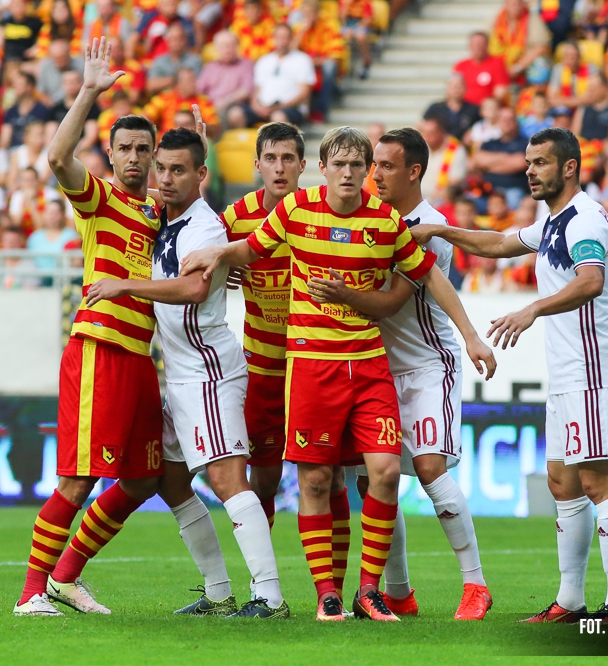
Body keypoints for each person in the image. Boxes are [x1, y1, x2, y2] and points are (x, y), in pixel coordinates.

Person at [180, 126, 491, 622]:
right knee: (314, 481)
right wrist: (218, 252)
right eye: (339, 164)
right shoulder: (294, 210)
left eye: (357, 165)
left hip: (370, 364)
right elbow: (246, 247)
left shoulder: (387, 221)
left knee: (382, 473)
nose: (348, 173)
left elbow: (424, 277)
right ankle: (322, 595)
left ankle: (373, 591)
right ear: (322, 168)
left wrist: (471, 335)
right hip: (305, 366)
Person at [411, 127, 608, 621]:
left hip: (594, 367)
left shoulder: (584, 221)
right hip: (569, 372)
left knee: (598, 482)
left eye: (540, 163)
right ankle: (570, 601)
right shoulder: (553, 220)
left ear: (569, 167)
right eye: (529, 163)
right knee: (561, 482)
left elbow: (591, 281)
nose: (530, 171)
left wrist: (532, 308)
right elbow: (498, 243)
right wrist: (443, 232)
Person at [85, 126, 290, 619]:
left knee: (226, 478)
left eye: (179, 170)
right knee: (170, 481)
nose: (166, 178)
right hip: (177, 373)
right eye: (162, 168)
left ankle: (270, 597)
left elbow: (195, 290)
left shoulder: (203, 227)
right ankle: (218, 593)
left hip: (208, 370)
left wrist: (124, 285)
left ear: (201, 175)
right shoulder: (164, 217)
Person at [313, 127, 496, 621]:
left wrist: (472, 336)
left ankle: (476, 585)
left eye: (387, 166)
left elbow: (395, 300)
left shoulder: (429, 229)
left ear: (414, 172)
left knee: (431, 468)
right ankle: (397, 592)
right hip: (373, 368)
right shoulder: (368, 216)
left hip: (427, 365)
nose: (375, 175)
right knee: (375, 481)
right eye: (374, 165)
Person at [12, 37, 165, 618]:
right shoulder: (99, 198)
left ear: (153, 155)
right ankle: (31, 593)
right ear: (110, 152)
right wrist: (88, 92)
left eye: (142, 149)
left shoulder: (157, 211)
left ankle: (66, 577)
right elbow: (56, 158)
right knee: (78, 481)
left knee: (144, 478)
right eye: (124, 148)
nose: (133, 158)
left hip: (141, 357)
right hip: (99, 348)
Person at [218, 122, 305, 535]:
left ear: (302, 165)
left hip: (312, 364)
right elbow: (199, 250)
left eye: (288, 158)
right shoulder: (236, 219)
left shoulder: (320, 213)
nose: (279, 167)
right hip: (263, 368)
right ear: (257, 165)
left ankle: (332, 574)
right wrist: (224, 268)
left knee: (325, 477)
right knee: (265, 479)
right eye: (271, 158)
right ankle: (263, 570)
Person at [239, 23, 315, 127]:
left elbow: (304, 93)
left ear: (291, 39)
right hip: (264, 107)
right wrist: (257, 106)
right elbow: (256, 90)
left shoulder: (302, 60)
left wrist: (279, 107)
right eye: (279, 37)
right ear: (273, 38)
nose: (282, 42)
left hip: (290, 108)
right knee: (236, 114)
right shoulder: (264, 60)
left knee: (278, 118)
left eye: (285, 37)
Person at [474, 107, 530, 209]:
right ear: (498, 122)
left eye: (510, 120)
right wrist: (507, 159)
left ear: (516, 122)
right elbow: (478, 161)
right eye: (503, 120)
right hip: (488, 190)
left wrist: (490, 165)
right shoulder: (489, 144)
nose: (506, 123)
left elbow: (521, 163)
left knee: (514, 198)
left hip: (513, 190)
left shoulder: (526, 144)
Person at [196, 30, 253, 120]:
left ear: (237, 47)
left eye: (232, 45)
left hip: (234, 105)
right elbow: (199, 89)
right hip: (211, 105)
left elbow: (246, 90)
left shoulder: (245, 65)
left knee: (235, 113)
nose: (228, 50)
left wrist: (225, 101)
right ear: (217, 49)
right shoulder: (211, 66)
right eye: (224, 46)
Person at [419, 113, 466, 206]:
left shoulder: (456, 151)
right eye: (424, 133)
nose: (426, 137)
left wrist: (430, 200)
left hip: (440, 202)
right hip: (417, 199)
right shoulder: (419, 148)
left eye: (430, 133)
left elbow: (454, 185)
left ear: (442, 133)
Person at [453, 32, 509, 106]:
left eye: (481, 44)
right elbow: (454, 89)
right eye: (475, 44)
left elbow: (501, 92)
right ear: (469, 46)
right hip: (465, 108)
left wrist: (487, 107)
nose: (478, 47)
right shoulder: (461, 65)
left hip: (486, 108)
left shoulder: (497, 63)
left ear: (487, 45)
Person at [0, 70, 51, 148]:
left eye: (19, 84)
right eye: (15, 84)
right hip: (13, 151)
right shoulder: (11, 112)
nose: (15, 87)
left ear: (30, 87)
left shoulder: (43, 110)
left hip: (36, 149)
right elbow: (4, 139)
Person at [424, 74, 480, 142]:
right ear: (447, 88)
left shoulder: (474, 110)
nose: (456, 89)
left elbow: (484, 126)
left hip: (464, 146)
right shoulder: (435, 108)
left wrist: (472, 132)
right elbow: (422, 125)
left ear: (465, 88)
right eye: (453, 86)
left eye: (459, 86)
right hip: (440, 145)